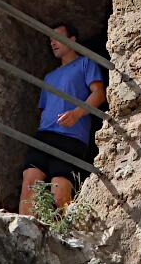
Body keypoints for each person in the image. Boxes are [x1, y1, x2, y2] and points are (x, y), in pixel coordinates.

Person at [19, 23, 106, 216]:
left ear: (72, 40)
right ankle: (23, 232)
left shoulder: (85, 63)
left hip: (71, 136)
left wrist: (76, 114)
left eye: (57, 37)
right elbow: (44, 109)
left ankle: (60, 235)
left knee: (59, 193)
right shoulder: (49, 77)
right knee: (30, 181)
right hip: (44, 134)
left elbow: (99, 94)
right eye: (50, 39)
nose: (52, 42)